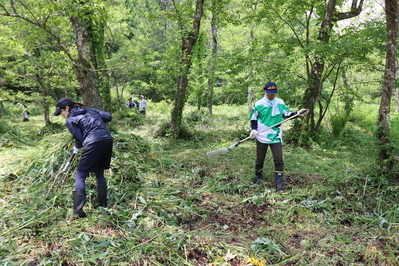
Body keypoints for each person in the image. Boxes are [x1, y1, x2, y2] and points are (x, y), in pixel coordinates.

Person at [53, 98, 113, 219]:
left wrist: (76, 147)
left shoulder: (70, 120)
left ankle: (77, 211)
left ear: (67, 108)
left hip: (93, 143)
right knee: (99, 172)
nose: (62, 115)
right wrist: (94, 116)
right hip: (107, 140)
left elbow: (80, 139)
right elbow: (108, 117)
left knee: (80, 175)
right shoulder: (89, 110)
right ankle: (103, 204)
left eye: (61, 112)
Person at [249, 82, 308, 192]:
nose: (271, 96)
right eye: (269, 94)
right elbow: (253, 118)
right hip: (261, 135)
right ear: (265, 92)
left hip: (275, 137)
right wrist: (253, 129)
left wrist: (298, 113)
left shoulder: (280, 102)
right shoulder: (259, 104)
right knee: (259, 159)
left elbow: (287, 114)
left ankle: (279, 184)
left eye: (273, 94)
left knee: (278, 159)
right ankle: (258, 177)